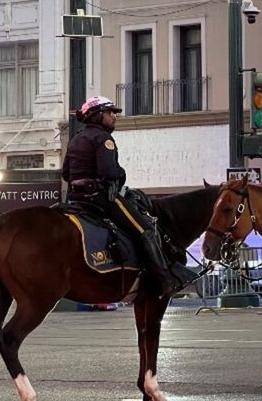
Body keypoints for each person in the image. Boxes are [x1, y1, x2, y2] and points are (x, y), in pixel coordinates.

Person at [61, 96, 195, 298]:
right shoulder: (103, 139)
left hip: (77, 199)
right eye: (110, 113)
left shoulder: (76, 139)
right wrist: (120, 174)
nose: (114, 117)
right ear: (97, 115)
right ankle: (166, 281)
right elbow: (110, 172)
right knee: (147, 230)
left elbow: (66, 174)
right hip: (101, 197)